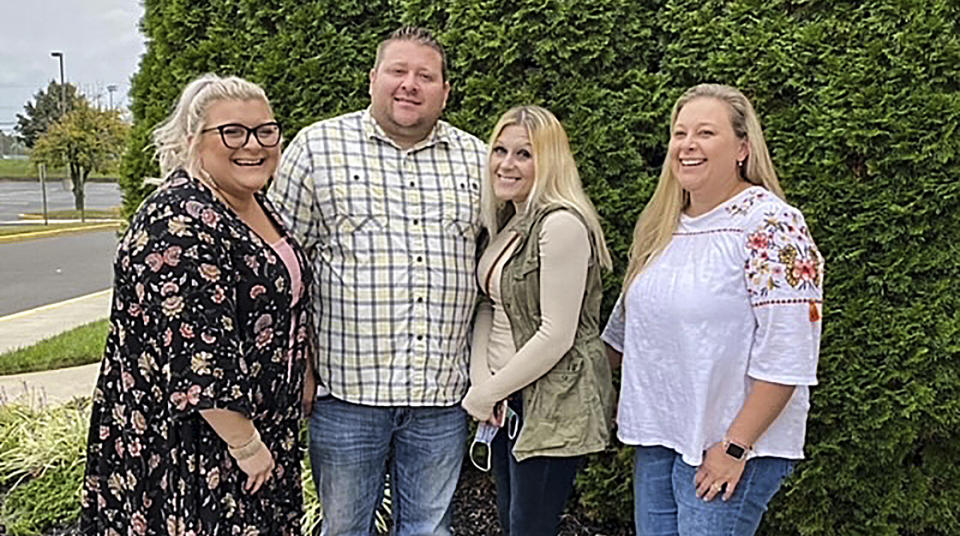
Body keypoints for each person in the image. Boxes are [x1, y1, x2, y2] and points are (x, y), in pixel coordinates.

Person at [267, 26, 486, 535]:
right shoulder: (317, 149)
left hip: (441, 398)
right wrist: (296, 365)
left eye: (425, 76)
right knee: (344, 529)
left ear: (445, 91)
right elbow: (281, 272)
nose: (410, 84)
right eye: (398, 71)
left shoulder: (478, 160)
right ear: (372, 80)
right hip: (347, 396)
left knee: (429, 529)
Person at [81, 74, 315, 534]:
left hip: (258, 431)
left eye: (266, 130)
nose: (253, 144)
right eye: (232, 131)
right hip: (195, 445)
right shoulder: (176, 219)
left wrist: (300, 374)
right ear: (193, 140)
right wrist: (247, 447)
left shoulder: (256, 204)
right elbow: (196, 355)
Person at [602, 83, 824, 535]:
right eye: (680, 133)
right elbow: (625, 337)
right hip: (660, 438)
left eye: (706, 133)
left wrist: (735, 447)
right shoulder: (661, 226)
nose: (687, 145)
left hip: (729, 446)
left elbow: (789, 353)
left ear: (743, 147)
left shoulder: (772, 224)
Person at [461, 105, 616, 535]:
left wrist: (490, 390)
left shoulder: (561, 224)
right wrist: (484, 386)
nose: (507, 164)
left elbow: (557, 334)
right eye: (500, 150)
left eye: (524, 154)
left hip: (551, 402)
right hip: (509, 398)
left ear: (549, 162)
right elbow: (490, 305)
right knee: (514, 520)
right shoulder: (511, 222)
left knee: (530, 525)